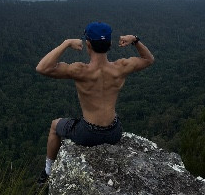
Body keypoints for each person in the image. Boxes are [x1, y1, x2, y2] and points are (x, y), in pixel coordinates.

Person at [36, 21, 155, 183]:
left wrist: (66, 43)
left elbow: (42, 68)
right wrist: (134, 39)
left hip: (88, 134)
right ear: (110, 44)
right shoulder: (121, 67)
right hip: (114, 132)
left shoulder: (80, 70)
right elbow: (148, 59)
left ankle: (47, 172)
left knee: (54, 125)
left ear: (88, 44)